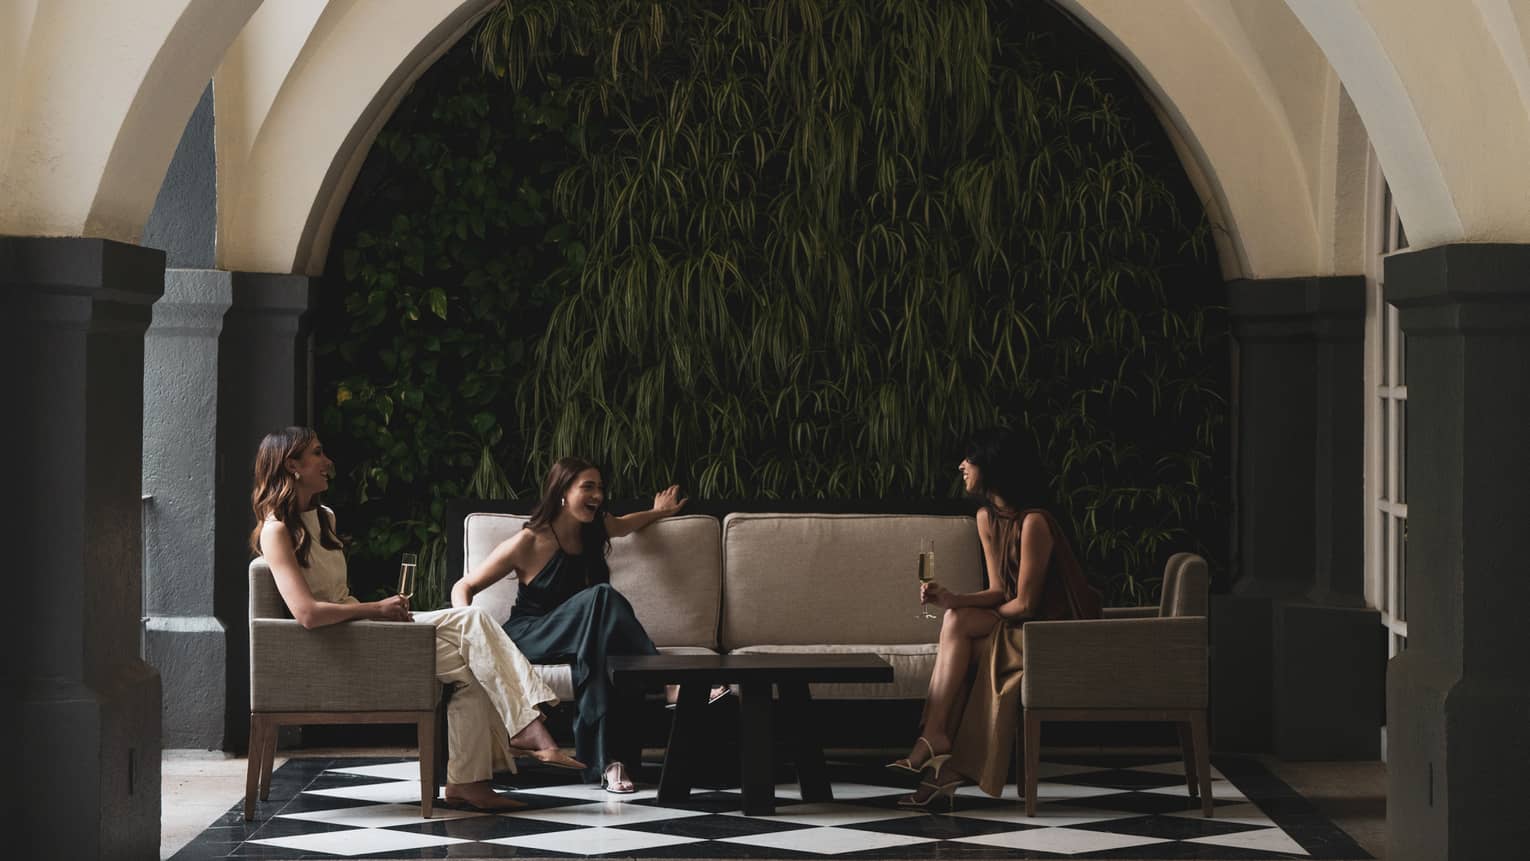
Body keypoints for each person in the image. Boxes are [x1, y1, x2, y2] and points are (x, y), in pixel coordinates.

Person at [251, 427, 583, 813]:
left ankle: (467, 784)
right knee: (471, 619)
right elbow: (306, 614)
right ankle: (530, 728)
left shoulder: (324, 517)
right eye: (318, 454)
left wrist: (375, 613)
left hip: (361, 629)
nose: (329, 463)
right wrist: (376, 609)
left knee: (471, 666)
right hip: (339, 641)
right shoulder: (277, 530)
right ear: (292, 465)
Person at [452, 457, 696, 792]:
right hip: (531, 634)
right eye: (588, 486)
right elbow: (463, 586)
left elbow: (626, 524)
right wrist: (470, 625)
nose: (598, 494)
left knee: (595, 654)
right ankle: (666, 681)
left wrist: (659, 512)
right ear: (562, 493)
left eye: (600, 487)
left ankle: (607, 764)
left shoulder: (595, 529)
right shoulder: (529, 541)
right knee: (602, 596)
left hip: (580, 636)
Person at [888, 427, 1102, 808]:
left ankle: (935, 743)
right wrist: (954, 599)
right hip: (1017, 624)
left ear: (992, 465)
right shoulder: (986, 518)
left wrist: (965, 610)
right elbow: (999, 591)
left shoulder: (1035, 522)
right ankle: (939, 761)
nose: (961, 466)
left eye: (969, 458)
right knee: (957, 625)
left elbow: (1026, 606)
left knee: (960, 626)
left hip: (1049, 633)